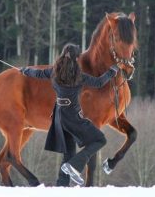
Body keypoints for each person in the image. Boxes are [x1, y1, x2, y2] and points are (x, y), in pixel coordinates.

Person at [20, 43, 120, 186]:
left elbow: (37, 73)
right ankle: (75, 166)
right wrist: (111, 71)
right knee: (99, 140)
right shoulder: (79, 76)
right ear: (76, 58)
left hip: (59, 116)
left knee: (69, 151)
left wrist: (24, 70)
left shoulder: (54, 72)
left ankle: (62, 185)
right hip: (73, 117)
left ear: (63, 55)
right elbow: (98, 83)